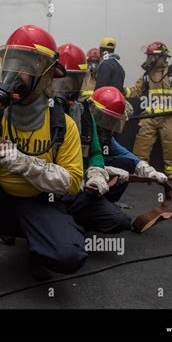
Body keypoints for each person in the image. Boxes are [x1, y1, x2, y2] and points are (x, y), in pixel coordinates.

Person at [0, 25, 87, 304]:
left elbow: (72, 183)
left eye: (25, 67)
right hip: (1, 203)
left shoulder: (62, 125)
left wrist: (20, 162)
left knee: (69, 257)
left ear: (46, 76)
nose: (11, 76)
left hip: (40, 203)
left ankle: (40, 247)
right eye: (10, 65)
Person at [53, 43, 131, 233]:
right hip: (50, 189)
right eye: (65, 80)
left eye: (75, 80)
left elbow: (95, 151)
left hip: (80, 188)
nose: (69, 86)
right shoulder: (39, 112)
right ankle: (61, 222)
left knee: (120, 222)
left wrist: (95, 173)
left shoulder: (85, 113)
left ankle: (71, 218)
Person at [125, 41, 172, 180]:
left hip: (170, 116)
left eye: (152, 56)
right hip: (151, 115)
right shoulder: (147, 75)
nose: (149, 59)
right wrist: (122, 91)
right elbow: (136, 90)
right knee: (142, 142)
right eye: (148, 56)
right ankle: (139, 169)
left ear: (162, 57)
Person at [90, 87, 168, 202]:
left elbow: (125, 154)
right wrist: (108, 170)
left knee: (127, 163)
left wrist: (148, 171)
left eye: (113, 121)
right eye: (107, 119)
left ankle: (106, 201)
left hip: (95, 173)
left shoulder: (105, 137)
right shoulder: (82, 130)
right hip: (78, 180)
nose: (109, 125)